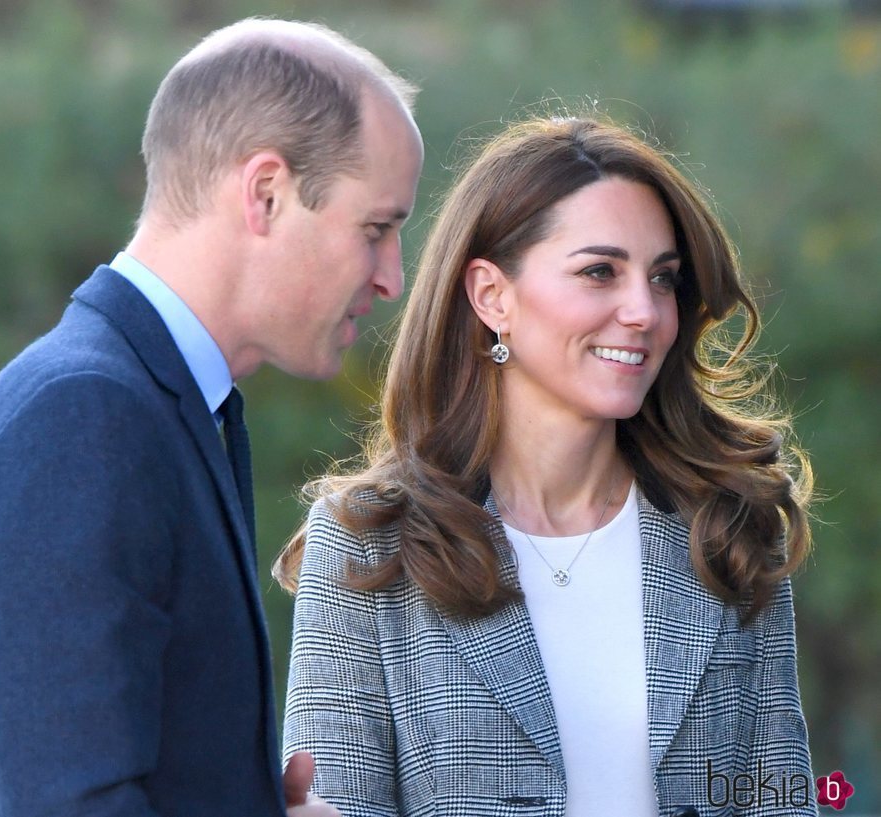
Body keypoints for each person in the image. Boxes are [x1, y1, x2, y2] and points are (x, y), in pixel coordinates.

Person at [0, 17, 423, 817]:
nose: (392, 276)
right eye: (377, 229)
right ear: (265, 194)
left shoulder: (147, 403)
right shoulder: (83, 417)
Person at [276, 115, 815, 817]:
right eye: (600, 271)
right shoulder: (368, 544)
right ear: (491, 296)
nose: (644, 311)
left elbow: (778, 799)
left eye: (663, 279)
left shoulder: (729, 526)